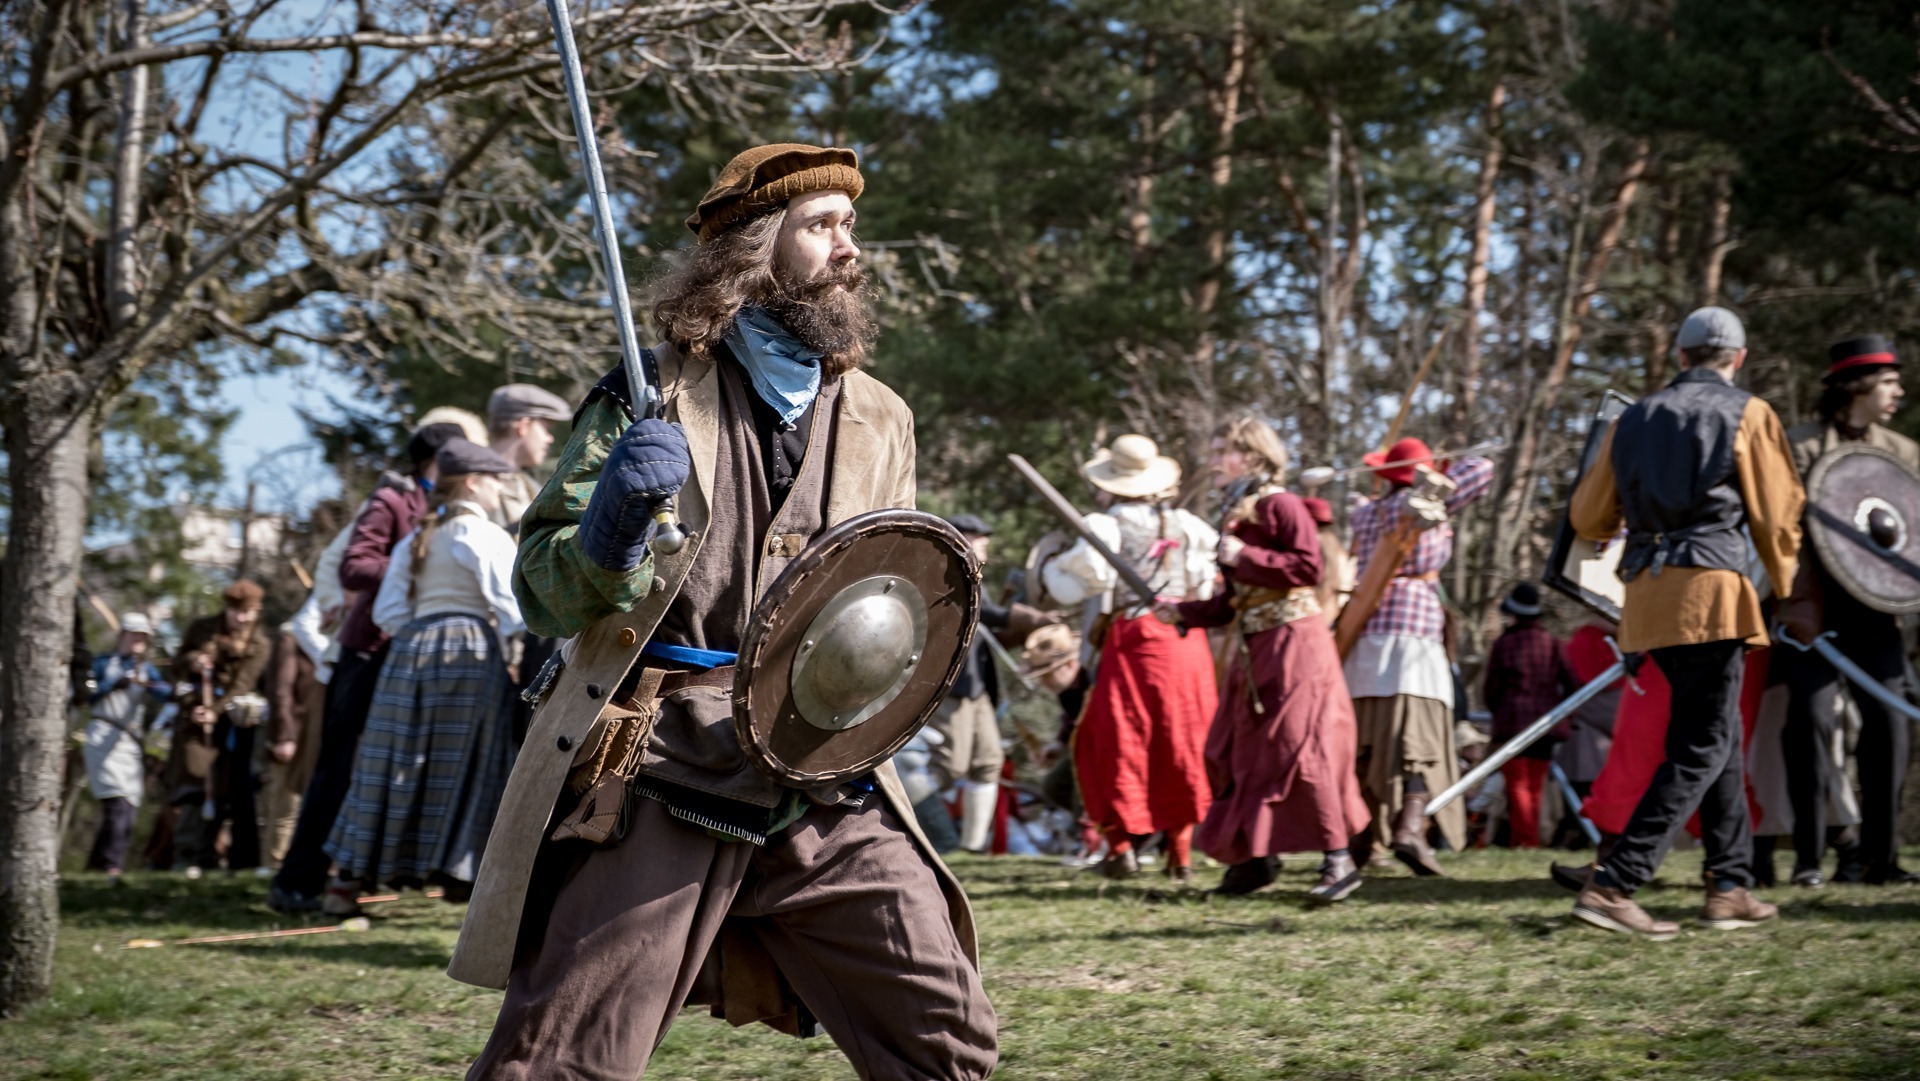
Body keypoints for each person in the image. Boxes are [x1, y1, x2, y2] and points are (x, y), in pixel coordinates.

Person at [455, 144, 995, 1081]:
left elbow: (894, 589)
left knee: (945, 1040)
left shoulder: (882, 416)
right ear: (757, 245)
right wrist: (612, 528)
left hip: (821, 775)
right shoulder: (648, 392)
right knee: (563, 1060)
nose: (848, 246)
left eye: (850, 225)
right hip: (663, 768)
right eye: (821, 225)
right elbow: (541, 589)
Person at [1567, 306, 1803, 938]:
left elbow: (1589, 517)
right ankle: (1615, 884)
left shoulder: (1633, 419)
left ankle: (1730, 884)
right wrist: (1786, 589)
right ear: (1739, 359)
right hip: (1711, 595)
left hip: (1647, 599)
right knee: (1701, 744)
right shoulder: (1749, 413)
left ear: (1680, 356)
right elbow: (1777, 516)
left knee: (1716, 731)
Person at [1156, 416, 1370, 902]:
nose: (1213, 461)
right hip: (1255, 646)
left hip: (1296, 644)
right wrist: (1182, 611)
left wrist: (1243, 557)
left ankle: (1338, 860)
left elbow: (1308, 567)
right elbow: (1235, 601)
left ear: (1251, 456)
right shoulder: (1240, 510)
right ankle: (1254, 860)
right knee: (1233, 748)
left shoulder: (1282, 504)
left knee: (1302, 748)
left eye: (1222, 452)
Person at [270, 421, 465, 912]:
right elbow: (354, 566)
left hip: (410, 656)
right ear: (434, 459)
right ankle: (297, 883)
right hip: (366, 653)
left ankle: (352, 881)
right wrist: (418, 565)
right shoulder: (392, 501)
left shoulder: (446, 506)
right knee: (339, 771)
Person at [325, 439, 523, 907]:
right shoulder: (484, 534)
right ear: (472, 483)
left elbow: (388, 612)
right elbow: (514, 608)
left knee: (393, 760)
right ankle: (458, 874)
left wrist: (422, 631)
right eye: (495, 481)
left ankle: (349, 879)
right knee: (465, 761)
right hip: (468, 653)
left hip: (410, 651)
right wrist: (512, 641)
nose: (500, 490)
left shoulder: (415, 538)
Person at [1044, 433, 1220, 881]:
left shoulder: (1107, 525)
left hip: (1136, 641)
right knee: (1183, 740)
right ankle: (1179, 854)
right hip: (1187, 641)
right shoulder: (1191, 525)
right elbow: (1204, 588)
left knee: (1115, 740)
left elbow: (1070, 588)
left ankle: (1120, 845)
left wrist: (1050, 565)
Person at [1779, 335, 1919, 887]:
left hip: (1876, 611)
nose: (1898, 392)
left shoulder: (1903, 453)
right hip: (1813, 607)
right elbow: (1782, 529)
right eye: (1888, 383)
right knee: (1810, 721)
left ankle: (1880, 860)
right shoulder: (1800, 446)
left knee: (1890, 723)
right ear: (1857, 387)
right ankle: (1809, 860)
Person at [1343, 438, 1493, 875]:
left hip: (1364, 634)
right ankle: (1409, 830)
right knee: (1420, 741)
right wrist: (1439, 469)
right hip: (1414, 637)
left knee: (1365, 744)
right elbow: (1481, 467)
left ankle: (1362, 841)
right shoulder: (1427, 503)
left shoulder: (1365, 512)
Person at [933, 512, 1055, 853]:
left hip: (978, 690)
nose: (984, 542)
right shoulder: (943, 572)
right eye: (977, 536)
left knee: (988, 762)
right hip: (951, 688)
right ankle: (924, 835)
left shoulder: (973, 575)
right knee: (949, 766)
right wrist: (1029, 617)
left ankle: (971, 848)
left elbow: (986, 630)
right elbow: (982, 611)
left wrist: (1022, 628)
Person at [167, 580, 273, 871]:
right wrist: (193, 660)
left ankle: (209, 855)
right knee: (195, 783)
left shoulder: (260, 644)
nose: (242, 618)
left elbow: (243, 684)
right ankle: (185, 854)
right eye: (237, 612)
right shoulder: (201, 628)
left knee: (224, 791)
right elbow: (176, 664)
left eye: (249, 612)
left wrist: (215, 711)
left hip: (232, 722)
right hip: (194, 718)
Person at [1480, 583, 1574, 849]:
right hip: (1546, 725)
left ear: (1514, 614)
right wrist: (1564, 715)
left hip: (1513, 724)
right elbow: (1573, 684)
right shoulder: (1554, 644)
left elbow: (1492, 689)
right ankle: (1527, 839)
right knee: (1534, 785)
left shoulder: (1504, 644)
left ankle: (1526, 840)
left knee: (1518, 785)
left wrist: (1498, 712)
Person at [83, 614, 169, 880]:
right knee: (116, 803)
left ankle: (95, 869)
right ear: (122, 635)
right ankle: (113, 867)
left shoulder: (146, 669)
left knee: (128, 809)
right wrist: (113, 685)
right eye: (134, 634)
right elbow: (87, 695)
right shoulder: (103, 663)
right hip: (102, 734)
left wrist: (163, 687)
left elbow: (164, 692)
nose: (138, 640)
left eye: (143, 636)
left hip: (129, 742)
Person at [257, 620, 324, 869]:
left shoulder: (334, 636)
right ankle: (274, 866)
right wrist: (285, 736)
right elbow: (280, 691)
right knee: (287, 806)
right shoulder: (291, 638)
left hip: (322, 734)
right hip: (294, 734)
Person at [486, 383, 575, 531]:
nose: (550, 439)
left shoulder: (529, 486)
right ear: (524, 426)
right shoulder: (476, 487)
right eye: (546, 429)